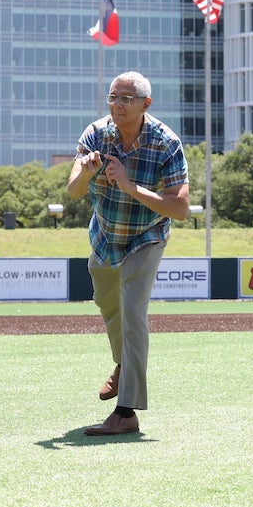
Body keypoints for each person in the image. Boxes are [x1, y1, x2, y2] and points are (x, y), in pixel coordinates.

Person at [67, 71, 189, 436]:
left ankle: (126, 412)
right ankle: (123, 364)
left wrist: (127, 184)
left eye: (126, 98)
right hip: (106, 236)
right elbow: (73, 191)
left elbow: (180, 209)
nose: (117, 104)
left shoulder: (166, 142)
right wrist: (86, 173)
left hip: (147, 236)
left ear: (145, 105)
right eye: (113, 97)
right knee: (108, 306)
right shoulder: (95, 134)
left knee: (133, 311)